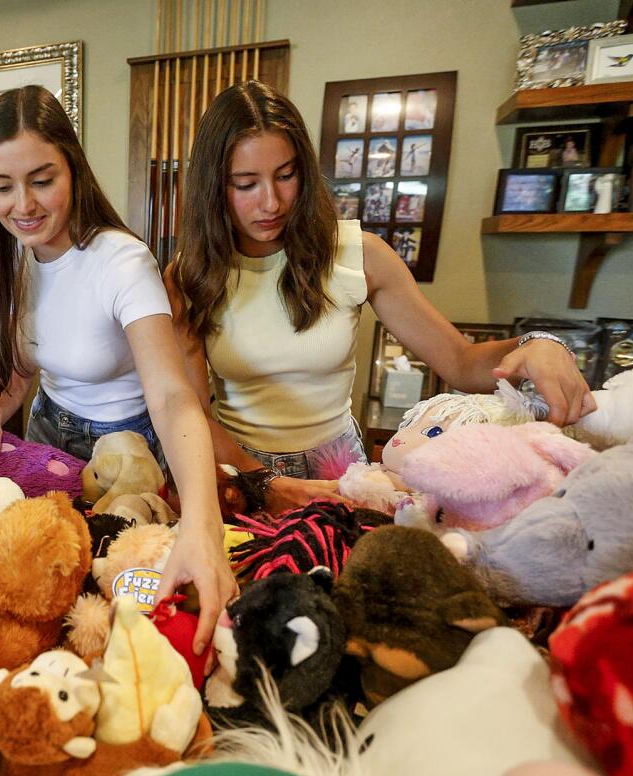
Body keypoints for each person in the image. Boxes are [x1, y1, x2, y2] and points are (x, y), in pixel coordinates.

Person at [167, 81, 594, 512]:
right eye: (245, 184)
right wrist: (266, 484)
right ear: (214, 187)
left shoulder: (359, 254)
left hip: (339, 467)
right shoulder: (190, 276)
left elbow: (461, 362)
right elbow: (191, 414)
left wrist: (536, 343)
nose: (272, 202)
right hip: (240, 469)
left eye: (286, 175)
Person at [0, 85, 232, 653]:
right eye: (2, 187)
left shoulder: (121, 262)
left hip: (127, 449)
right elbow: (27, 364)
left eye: (42, 180)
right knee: (37, 592)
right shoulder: (11, 253)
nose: (23, 206)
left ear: (73, 171)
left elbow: (174, 396)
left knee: (111, 607)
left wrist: (202, 526)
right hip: (49, 431)